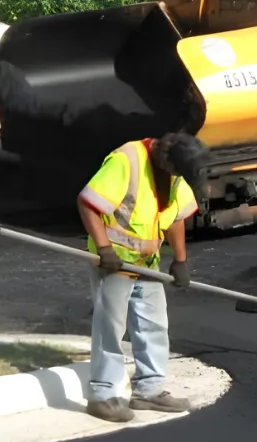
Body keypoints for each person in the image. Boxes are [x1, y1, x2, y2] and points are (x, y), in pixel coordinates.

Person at [77, 132, 208, 423]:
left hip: (148, 263)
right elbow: (88, 202)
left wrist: (181, 260)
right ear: (165, 159)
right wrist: (104, 248)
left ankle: (149, 390)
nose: (178, 177)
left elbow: (175, 217)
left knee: (154, 324)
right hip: (114, 262)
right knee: (110, 328)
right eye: (176, 172)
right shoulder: (127, 160)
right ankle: (102, 395)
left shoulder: (174, 172)